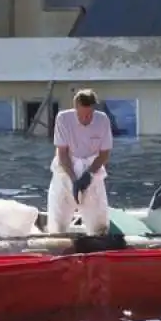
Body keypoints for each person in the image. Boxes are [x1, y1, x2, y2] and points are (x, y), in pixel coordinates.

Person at [47, 89, 113, 235]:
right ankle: (58, 237)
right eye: (82, 115)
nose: (86, 118)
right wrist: (73, 179)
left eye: (89, 114)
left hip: (92, 167)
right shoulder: (63, 118)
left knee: (99, 223)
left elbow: (104, 154)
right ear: (75, 107)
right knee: (58, 218)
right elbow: (62, 153)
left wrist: (88, 175)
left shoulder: (102, 120)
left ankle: (98, 239)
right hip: (66, 168)